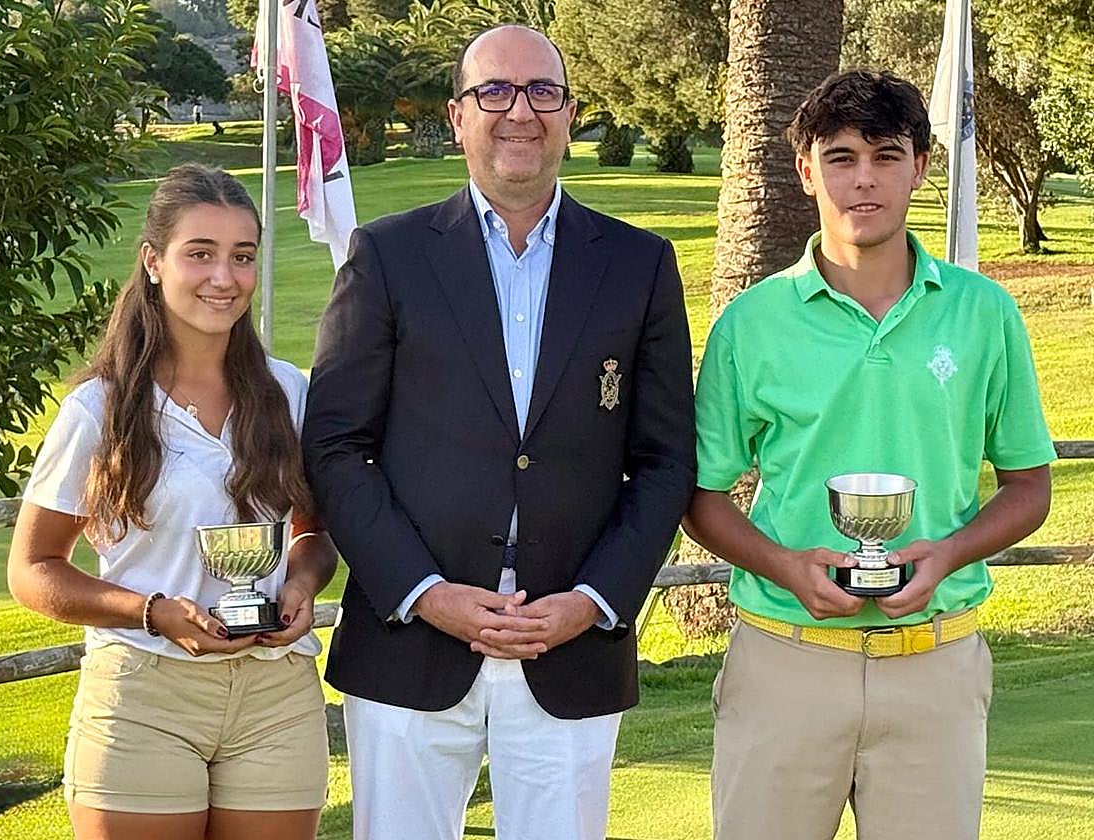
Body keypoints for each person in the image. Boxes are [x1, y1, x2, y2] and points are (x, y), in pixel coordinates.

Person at [301, 24, 695, 840]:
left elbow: (663, 462)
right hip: (410, 639)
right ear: (457, 115)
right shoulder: (386, 255)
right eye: (495, 92)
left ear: (571, 112)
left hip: (570, 647)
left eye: (541, 92)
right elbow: (336, 447)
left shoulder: (638, 264)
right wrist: (426, 593)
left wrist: (590, 603)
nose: (520, 111)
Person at [685, 69, 1055, 840]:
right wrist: (785, 566)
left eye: (887, 156)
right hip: (785, 662)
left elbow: (1028, 486)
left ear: (922, 166)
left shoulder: (985, 313)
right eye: (842, 156)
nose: (864, 179)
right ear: (805, 169)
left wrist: (948, 553)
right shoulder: (750, 324)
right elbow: (702, 496)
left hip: (936, 667)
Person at [7, 164, 335, 840]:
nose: (225, 277)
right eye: (201, 254)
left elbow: (313, 531)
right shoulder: (98, 408)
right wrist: (150, 613)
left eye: (243, 256)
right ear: (154, 262)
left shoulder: (289, 392)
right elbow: (33, 569)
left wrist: (302, 581)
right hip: (143, 692)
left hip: (276, 695)